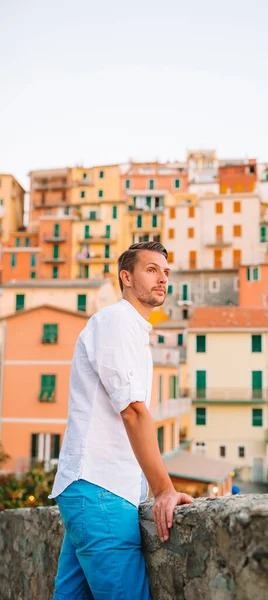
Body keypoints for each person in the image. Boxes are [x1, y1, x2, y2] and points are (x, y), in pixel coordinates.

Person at [50, 241, 193, 600]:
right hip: (100, 491)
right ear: (126, 277)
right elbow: (132, 411)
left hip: (93, 492)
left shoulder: (132, 330)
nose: (162, 279)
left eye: (165, 272)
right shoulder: (115, 321)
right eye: (151, 270)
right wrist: (163, 489)